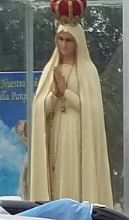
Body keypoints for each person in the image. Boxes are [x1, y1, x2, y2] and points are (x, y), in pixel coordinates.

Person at [30, 20, 112, 205]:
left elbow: (92, 109)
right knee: (56, 172)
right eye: (60, 39)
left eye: (69, 40)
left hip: (77, 133)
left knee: (72, 173)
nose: (64, 45)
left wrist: (65, 91)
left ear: (78, 43)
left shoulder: (88, 70)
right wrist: (55, 95)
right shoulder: (50, 69)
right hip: (55, 128)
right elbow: (39, 107)